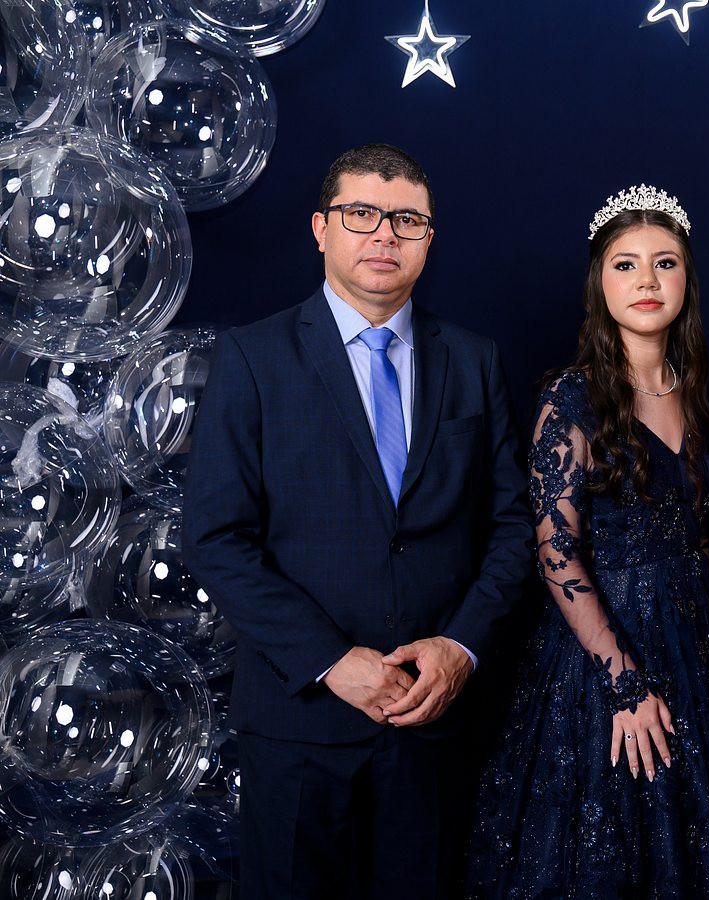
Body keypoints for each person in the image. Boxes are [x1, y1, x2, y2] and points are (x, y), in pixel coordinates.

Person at [182, 143, 533, 898]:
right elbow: (215, 538)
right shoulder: (253, 357)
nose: (384, 235)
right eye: (362, 214)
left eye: (406, 220)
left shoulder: (473, 360)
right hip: (299, 722)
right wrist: (331, 660)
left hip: (431, 719)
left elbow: (512, 528)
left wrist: (460, 648)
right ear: (320, 229)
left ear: (429, 238)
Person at [467, 186, 709, 898]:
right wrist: (623, 681)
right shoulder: (572, 397)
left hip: (696, 635)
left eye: (664, 263)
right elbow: (555, 551)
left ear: (687, 279)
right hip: (607, 647)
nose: (647, 280)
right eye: (626, 265)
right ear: (600, 283)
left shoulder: (695, 391)